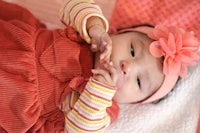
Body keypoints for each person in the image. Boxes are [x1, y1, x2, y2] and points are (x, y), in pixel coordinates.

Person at [0, 1, 199, 133]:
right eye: (132, 50)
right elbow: (73, 7)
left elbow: (80, 128)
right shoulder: (87, 37)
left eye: (139, 81)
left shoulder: (105, 108)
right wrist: (94, 25)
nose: (127, 67)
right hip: (16, 42)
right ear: (116, 33)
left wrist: (99, 90)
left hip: (16, 99)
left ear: (132, 102)